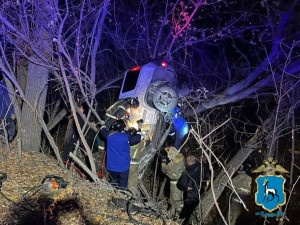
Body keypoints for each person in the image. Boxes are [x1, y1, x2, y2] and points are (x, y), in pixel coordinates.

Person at [100, 119, 143, 189]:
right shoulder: (126, 137)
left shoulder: (109, 136)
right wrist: (139, 128)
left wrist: (102, 124)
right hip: (123, 167)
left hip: (112, 166)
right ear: (122, 128)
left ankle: (112, 192)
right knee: (123, 184)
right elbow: (138, 139)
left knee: (113, 181)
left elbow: (103, 130)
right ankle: (123, 195)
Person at [177, 155, 210, 225]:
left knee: (188, 210)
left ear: (188, 162)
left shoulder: (189, 171)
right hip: (201, 192)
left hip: (191, 194)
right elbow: (209, 177)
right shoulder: (203, 167)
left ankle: (183, 222)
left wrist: (186, 188)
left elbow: (180, 184)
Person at [161, 146, 185, 210]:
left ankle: (175, 211)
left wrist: (163, 162)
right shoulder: (181, 158)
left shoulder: (172, 164)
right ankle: (180, 209)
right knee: (180, 197)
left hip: (174, 183)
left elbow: (164, 170)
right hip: (181, 181)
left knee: (174, 197)